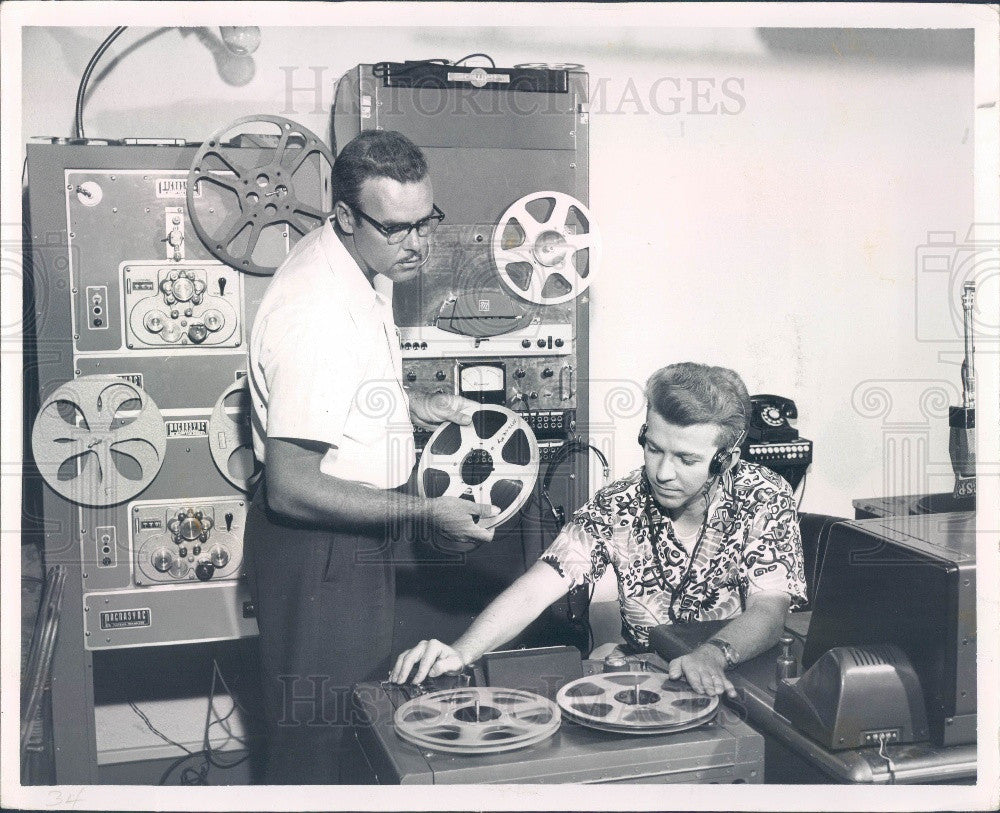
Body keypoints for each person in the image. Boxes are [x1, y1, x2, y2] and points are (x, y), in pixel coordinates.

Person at [245, 130, 494, 784]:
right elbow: (290, 486)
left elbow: (342, 395)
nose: (419, 243)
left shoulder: (360, 260)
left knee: (363, 722)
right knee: (320, 736)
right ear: (347, 216)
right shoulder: (317, 313)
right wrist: (426, 513)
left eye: (426, 221)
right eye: (398, 228)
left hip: (351, 532)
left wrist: (411, 405)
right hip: (318, 546)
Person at [391, 362, 807, 700]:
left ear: (726, 461)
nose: (663, 472)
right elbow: (538, 586)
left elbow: (770, 610)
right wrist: (461, 652)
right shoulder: (618, 500)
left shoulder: (765, 497)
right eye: (653, 448)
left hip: (736, 677)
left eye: (686, 459)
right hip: (647, 686)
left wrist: (713, 656)